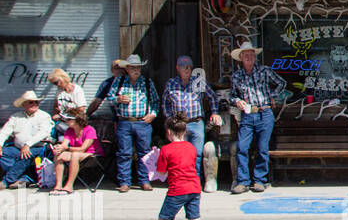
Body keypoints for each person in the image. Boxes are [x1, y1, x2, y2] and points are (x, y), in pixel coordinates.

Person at [132, 115, 221, 220]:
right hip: (194, 187)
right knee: (195, 218)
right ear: (184, 132)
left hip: (177, 189)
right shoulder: (191, 147)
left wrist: (155, 161)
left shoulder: (166, 150)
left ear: (168, 132)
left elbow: (161, 172)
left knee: (164, 219)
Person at [228, 42, 286, 194]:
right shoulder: (237, 76)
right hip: (248, 113)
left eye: (251, 54)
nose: (249, 57)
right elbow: (232, 95)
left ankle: (259, 180)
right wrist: (237, 101)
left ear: (255, 56)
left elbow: (282, 83)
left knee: (262, 148)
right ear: (240, 58)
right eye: (246, 55)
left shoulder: (264, 71)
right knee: (242, 147)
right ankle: (243, 181)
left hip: (264, 112)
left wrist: (271, 96)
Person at [162, 56, 223, 182]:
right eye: (184, 67)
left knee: (196, 154)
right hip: (179, 124)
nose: (187, 69)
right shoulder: (171, 83)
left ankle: (195, 180)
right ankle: (180, 180)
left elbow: (212, 96)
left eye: (189, 67)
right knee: (180, 154)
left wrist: (215, 112)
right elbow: (165, 103)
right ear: (177, 68)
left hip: (196, 123)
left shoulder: (199, 82)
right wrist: (169, 118)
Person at [107, 54, 160, 193]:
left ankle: (144, 180)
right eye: (133, 68)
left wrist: (152, 115)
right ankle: (124, 182)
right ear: (127, 69)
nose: (136, 70)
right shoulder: (119, 81)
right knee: (124, 153)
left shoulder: (147, 82)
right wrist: (118, 99)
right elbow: (110, 98)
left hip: (142, 122)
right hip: (124, 121)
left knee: (144, 152)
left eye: (138, 68)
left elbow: (155, 101)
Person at [1, 91, 56, 189]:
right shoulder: (16, 117)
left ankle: (6, 181)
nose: (34, 104)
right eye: (31, 102)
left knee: (27, 154)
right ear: (23, 104)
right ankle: (24, 177)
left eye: (36, 102)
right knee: (3, 153)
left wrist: (28, 145)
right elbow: (5, 131)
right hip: (18, 148)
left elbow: (43, 133)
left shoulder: (44, 116)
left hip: (38, 147)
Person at [51, 109, 103, 193]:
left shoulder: (90, 130)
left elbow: (83, 149)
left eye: (68, 119)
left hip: (91, 155)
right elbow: (64, 144)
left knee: (75, 155)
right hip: (76, 154)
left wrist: (66, 148)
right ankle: (58, 185)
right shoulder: (69, 130)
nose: (66, 121)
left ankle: (69, 185)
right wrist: (59, 148)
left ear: (77, 120)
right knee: (59, 154)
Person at [48, 70, 87, 137]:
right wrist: (57, 113)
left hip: (75, 122)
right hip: (62, 122)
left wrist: (64, 117)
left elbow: (81, 110)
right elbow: (56, 106)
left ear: (63, 78)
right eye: (54, 84)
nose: (56, 85)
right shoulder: (59, 91)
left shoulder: (77, 90)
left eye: (56, 82)